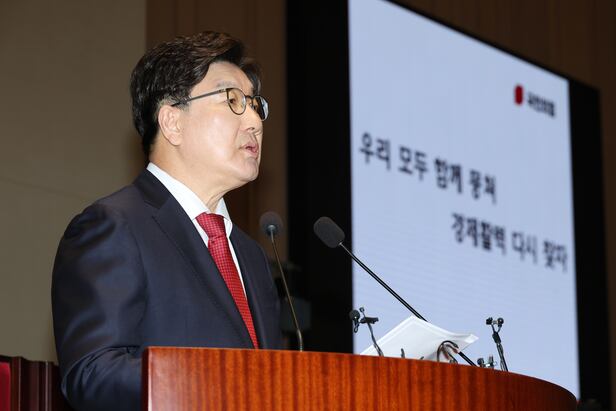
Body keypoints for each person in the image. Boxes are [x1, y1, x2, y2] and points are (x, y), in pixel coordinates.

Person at [51, 31, 283, 411]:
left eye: (256, 105)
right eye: (233, 100)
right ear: (172, 122)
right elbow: (92, 373)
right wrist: (220, 382)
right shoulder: (114, 226)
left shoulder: (252, 256)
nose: (255, 121)